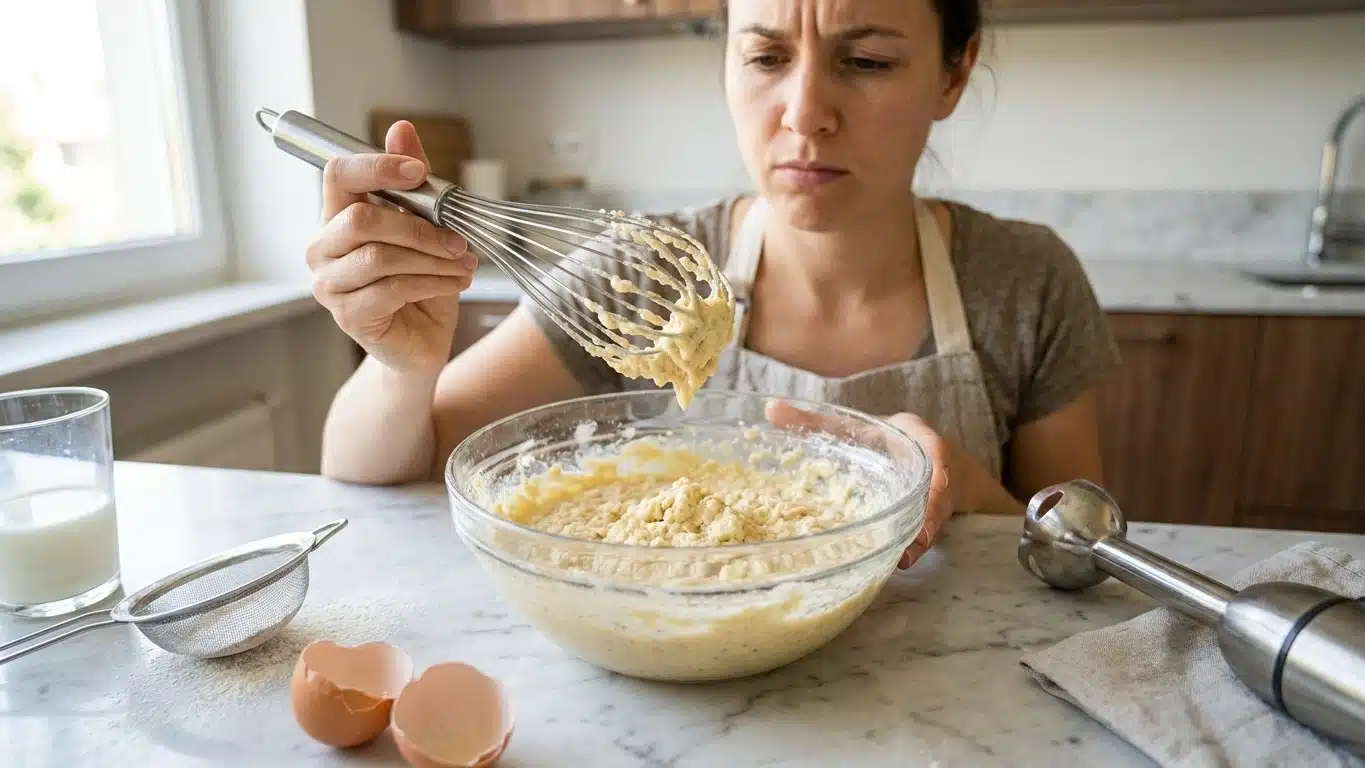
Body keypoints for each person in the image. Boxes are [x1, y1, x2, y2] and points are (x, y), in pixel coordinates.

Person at [305, 0, 1120, 568]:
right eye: (765, 57)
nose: (804, 113)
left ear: (952, 74)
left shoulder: (1024, 281)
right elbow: (374, 468)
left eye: (866, 61)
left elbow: (1077, 552)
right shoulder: (644, 276)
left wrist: (963, 488)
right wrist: (400, 367)